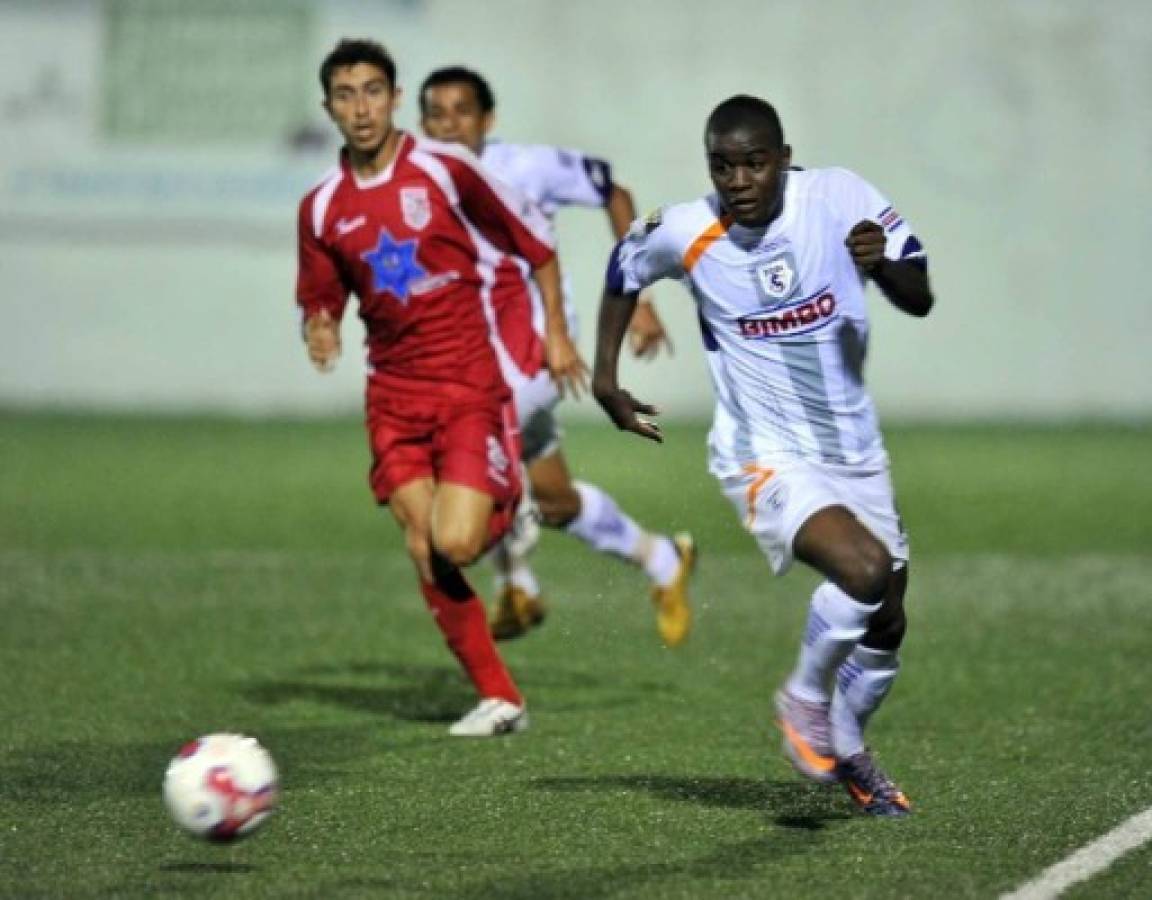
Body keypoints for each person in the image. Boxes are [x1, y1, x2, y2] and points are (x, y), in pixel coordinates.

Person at [592, 95, 934, 816]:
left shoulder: (839, 197)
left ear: (783, 157)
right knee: (863, 570)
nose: (740, 179)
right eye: (724, 165)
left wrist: (881, 268)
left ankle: (846, 741)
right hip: (762, 451)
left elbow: (920, 292)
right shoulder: (687, 228)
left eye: (754, 163)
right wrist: (605, 379)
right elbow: (624, 266)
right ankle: (803, 698)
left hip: (852, 447)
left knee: (888, 619)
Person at [295, 39, 586, 737]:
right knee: (423, 545)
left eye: (372, 91)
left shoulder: (445, 168)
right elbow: (320, 293)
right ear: (329, 106)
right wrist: (321, 325)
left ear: (395, 99)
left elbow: (534, 241)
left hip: (465, 384)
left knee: (455, 544)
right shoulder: (321, 207)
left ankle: (508, 505)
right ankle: (500, 696)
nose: (360, 108)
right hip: (392, 397)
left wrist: (556, 333)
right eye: (345, 94)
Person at [418, 66, 696, 646]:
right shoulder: (416, 184)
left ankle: (517, 580)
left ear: (486, 120)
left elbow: (614, 192)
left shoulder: (524, 167)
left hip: (537, 357)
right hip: (474, 361)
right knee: (555, 499)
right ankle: (662, 558)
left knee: (462, 468)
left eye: (461, 111)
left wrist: (639, 294)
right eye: (435, 114)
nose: (448, 125)